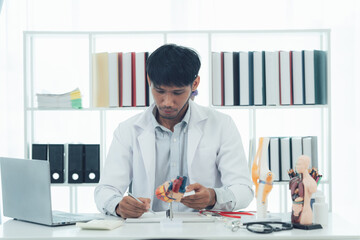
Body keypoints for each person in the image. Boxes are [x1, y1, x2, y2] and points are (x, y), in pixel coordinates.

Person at [94, 44, 253, 218]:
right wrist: (118, 206)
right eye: (160, 91)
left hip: (205, 229)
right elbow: (105, 190)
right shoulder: (128, 130)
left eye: (177, 92)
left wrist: (213, 197)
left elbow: (243, 189)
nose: (167, 102)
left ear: (195, 84)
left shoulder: (222, 125)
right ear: (149, 81)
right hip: (147, 229)